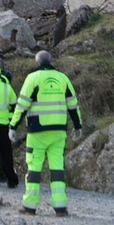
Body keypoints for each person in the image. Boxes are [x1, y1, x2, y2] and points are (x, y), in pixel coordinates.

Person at [9, 49, 83, 216]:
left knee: (34, 168)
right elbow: (73, 105)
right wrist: (78, 126)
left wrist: (13, 126)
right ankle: (60, 206)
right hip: (58, 131)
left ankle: (30, 205)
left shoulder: (32, 78)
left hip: (37, 131)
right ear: (51, 61)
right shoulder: (63, 78)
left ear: (37, 62)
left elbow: (22, 105)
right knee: (57, 168)